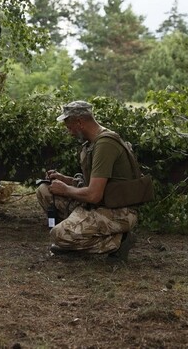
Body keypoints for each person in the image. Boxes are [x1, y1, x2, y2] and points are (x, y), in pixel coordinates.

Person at [36, 100, 139, 260]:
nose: (69, 131)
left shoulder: (105, 144)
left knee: (59, 234)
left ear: (79, 122)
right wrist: (67, 180)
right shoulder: (92, 144)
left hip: (118, 212)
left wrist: (65, 189)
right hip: (99, 205)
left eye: (69, 125)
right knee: (44, 190)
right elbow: (92, 184)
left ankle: (119, 241)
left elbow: (93, 195)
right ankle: (78, 234)